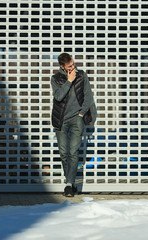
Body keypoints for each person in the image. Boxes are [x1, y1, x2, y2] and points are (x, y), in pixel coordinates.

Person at [51, 53, 94, 197]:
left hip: (77, 120)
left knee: (73, 153)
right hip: (61, 120)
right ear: (62, 66)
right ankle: (71, 182)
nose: (73, 67)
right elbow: (58, 97)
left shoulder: (82, 76)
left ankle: (68, 184)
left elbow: (88, 97)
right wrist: (69, 81)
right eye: (69, 66)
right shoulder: (55, 79)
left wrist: (81, 114)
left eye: (73, 64)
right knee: (64, 153)